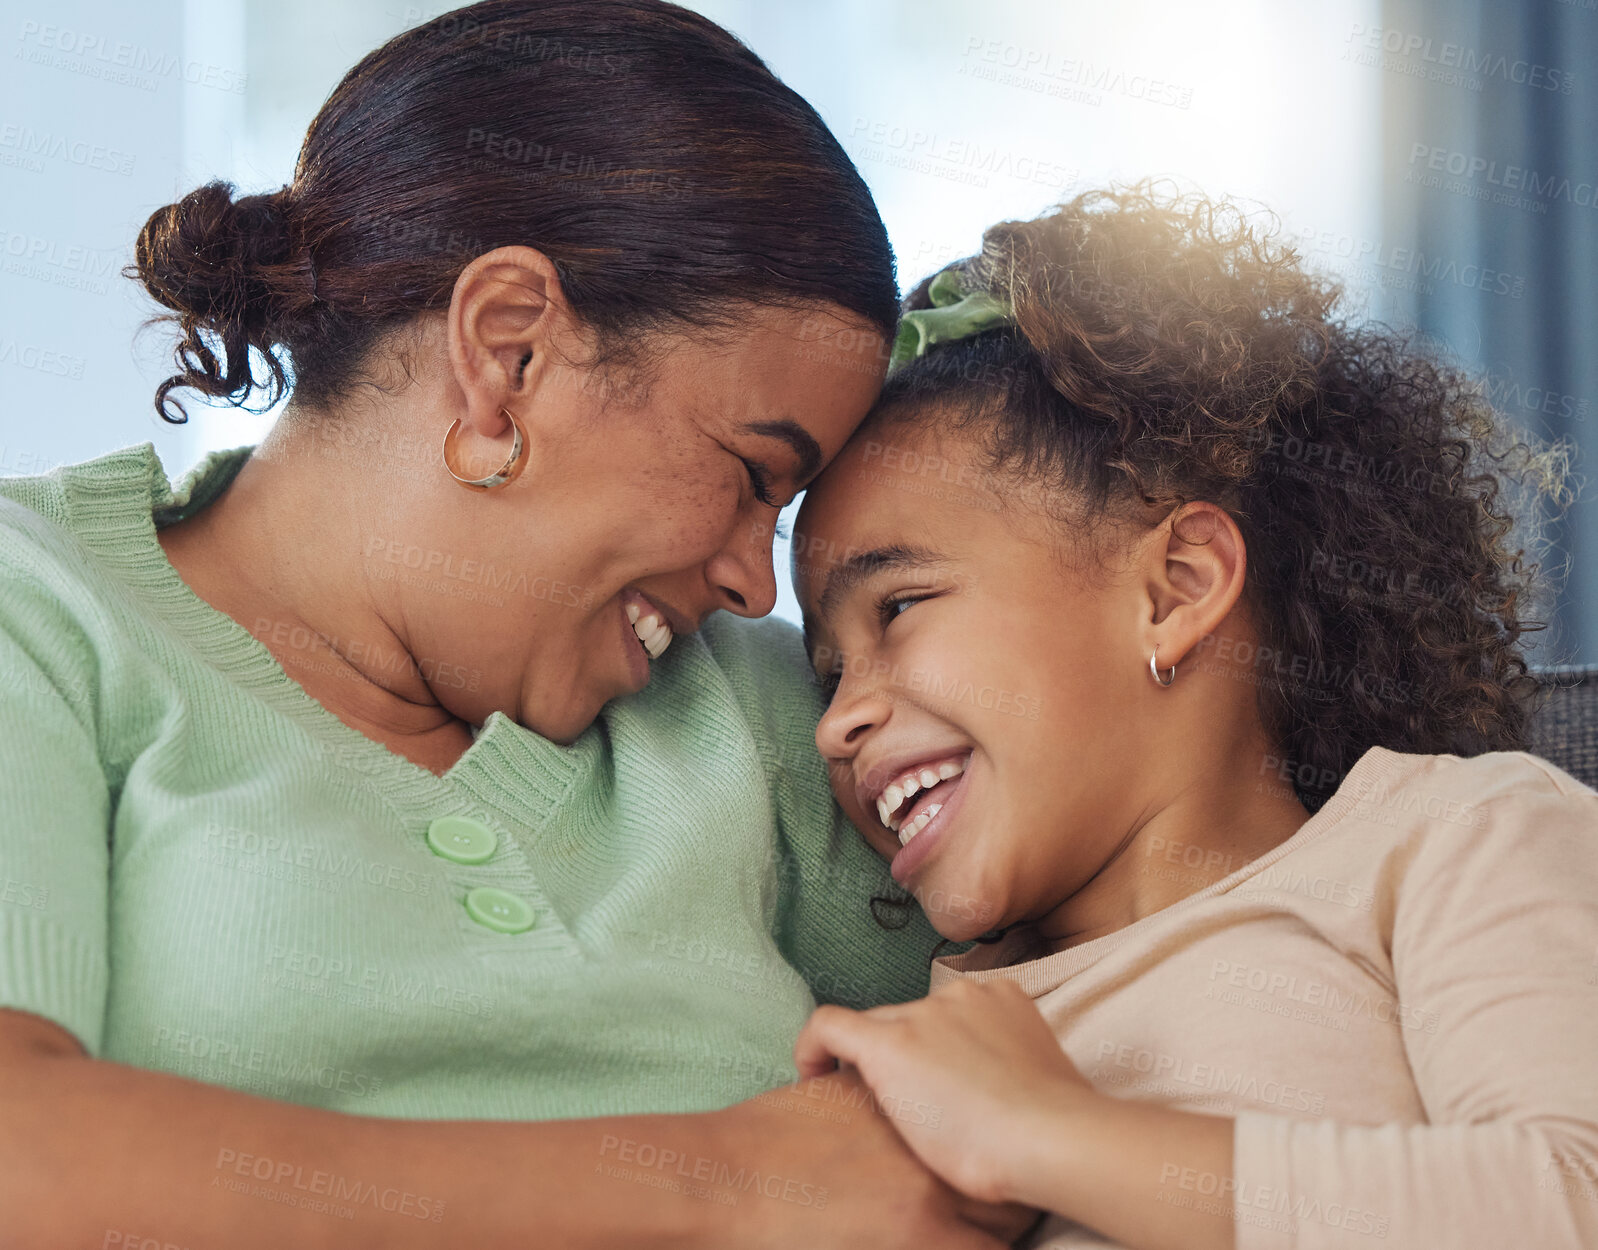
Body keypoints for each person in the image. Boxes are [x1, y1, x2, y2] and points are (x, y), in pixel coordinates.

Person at [0, 2, 1030, 1246]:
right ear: (510, 353)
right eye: (752, 472)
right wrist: (722, 1186)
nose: (756, 585)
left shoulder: (755, 715)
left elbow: (1160, 906)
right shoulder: (41, 612)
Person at [788, 184, 1598, 1250]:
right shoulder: (929, 1032)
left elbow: (1565, 1200)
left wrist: (1045, 1133)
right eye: (825, 669)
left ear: (1173, 587)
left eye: (898, 606)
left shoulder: (1447, 834)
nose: (834, 723)